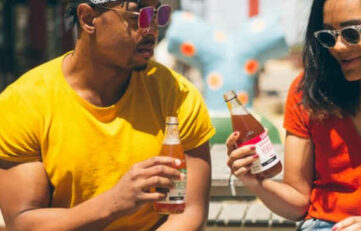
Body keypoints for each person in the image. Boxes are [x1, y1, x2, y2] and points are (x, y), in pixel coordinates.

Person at [225, 0, 361, 230]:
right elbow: (297, 202)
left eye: (351, 32)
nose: (338, 47)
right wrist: (256, 183)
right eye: (328, 37)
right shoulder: (309, 93)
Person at [0, 0, 215, 230]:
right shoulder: (24, 103)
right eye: (138, 14)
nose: (152, 28)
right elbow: (24, 223)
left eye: (157, 14)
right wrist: (113, 203)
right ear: (88, 18)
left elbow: (189, 211)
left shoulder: (177, 95)